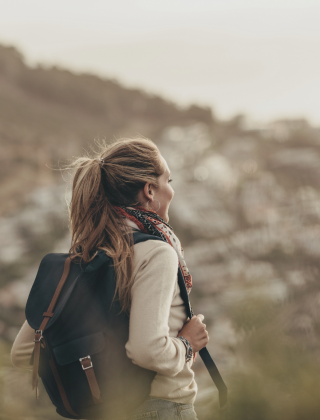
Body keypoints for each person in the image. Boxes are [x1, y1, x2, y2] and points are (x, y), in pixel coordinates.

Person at [11, 138, 209, 420]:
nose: (172, 190)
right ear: (150, 190)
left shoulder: (83, 257)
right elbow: (146, 351)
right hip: (160, 408)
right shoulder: (157, 252)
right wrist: (188, 345)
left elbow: (21, 353)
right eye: (168, 180)